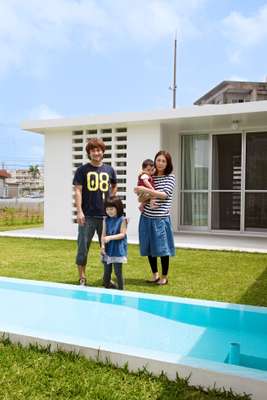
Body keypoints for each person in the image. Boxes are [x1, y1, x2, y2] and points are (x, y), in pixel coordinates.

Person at [73, 138, 117, 285]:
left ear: (103, 152)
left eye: (98, 150)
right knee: (82, 248)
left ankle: (107, 278)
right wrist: (79, 211)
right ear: (89, 153)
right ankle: (82, 277)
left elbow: (114, 186)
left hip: (106, 217)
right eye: (93, 150)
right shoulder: (82, 170)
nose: (96, 153)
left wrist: (112, 202)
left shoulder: (109, 170)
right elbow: (78, 191)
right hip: (88, 216)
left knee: (108, 248)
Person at [135, 150, 175, 285]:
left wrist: (146, 191)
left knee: (163, 249)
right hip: (146, 217)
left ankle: (164, 277)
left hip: (161, 219)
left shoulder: (170, 177)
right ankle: (155, 275)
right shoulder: (150, 176)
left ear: (167, 163)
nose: (160, 163)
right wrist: (146, 199)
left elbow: (164, 195)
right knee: (149, 247)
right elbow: (139, 197)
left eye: (164, 161)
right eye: (158, 160)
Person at [101, 196, 127, 290]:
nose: (109, 211)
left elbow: (122, 234)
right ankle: (107, 289)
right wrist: (103, 246)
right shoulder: (106, 220)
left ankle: (121, 291)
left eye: (111, 209)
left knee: (118, 272)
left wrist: (110, 237)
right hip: (107, 249)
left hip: (117, 250)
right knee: (106, 272)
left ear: (118, 208)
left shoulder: (122, 220)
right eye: (107, 209)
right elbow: (103, 235)